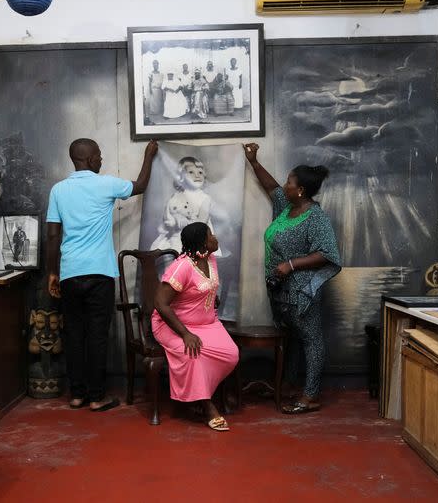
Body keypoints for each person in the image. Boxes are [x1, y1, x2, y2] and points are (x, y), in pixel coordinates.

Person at [47, 138, 158, 411]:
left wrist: (52, 273)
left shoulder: (58, 190)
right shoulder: (106, 184)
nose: (101, 160)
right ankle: (97, 397)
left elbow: (52, 235)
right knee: (97, 335)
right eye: (99, 156)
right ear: (89, 158)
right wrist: (149, 154)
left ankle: (77, 395)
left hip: (70, 273)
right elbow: (141, 185)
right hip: (99, 273)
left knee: (74, 334)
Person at [244, 143, 341, 414]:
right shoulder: (287, 207)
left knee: (311, 339)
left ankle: (310, 395)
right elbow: (271, 186)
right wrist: (253, 162)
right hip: (280, 290)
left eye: (289, 181)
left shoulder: (316, 218)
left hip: (301, 290)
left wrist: (291, 264)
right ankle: (288, 385)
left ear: (300, 190)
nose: (284, 185)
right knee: (294, 339)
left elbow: (327, 252)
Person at [152, 222, 238, 431]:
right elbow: (160, 303)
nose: (215, 237)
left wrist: (210, 297)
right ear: (202, 242)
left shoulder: (210, 259)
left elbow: (203, 286)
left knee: (231, 354)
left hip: (207, 323)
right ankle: (206, 404)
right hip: (175, 325)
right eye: (210, 235)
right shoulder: (182, 267)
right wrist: (185, 334)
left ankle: (200, 391)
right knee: (195, 354)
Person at [151, 156, 212, 252]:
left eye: (200, 172)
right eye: (191, 172)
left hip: (196, 238)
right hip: (176, 235)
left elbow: (202, 222)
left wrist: (186, 223)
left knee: (185, 251)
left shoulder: (204, 198)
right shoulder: (176, 196)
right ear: (181, 177)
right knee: (166, 250)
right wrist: (174, 220)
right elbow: (167, 215)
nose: (197, 175)